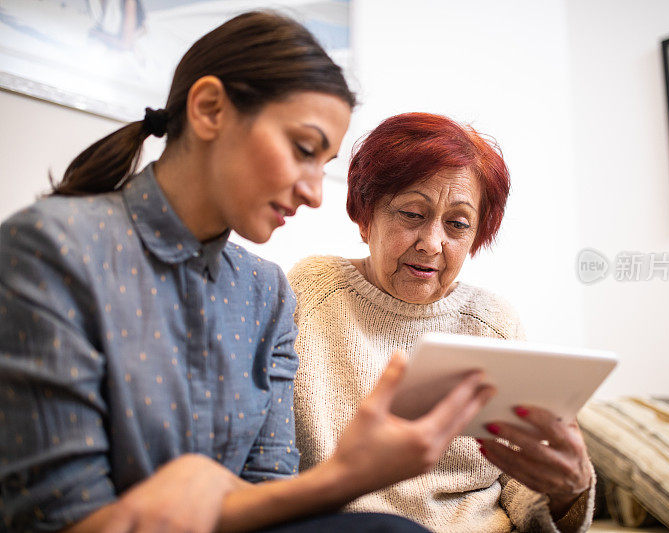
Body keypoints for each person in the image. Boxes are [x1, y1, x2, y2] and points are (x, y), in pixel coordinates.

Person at [0, 14, 494, 533]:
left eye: (322, 162)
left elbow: (269, 493)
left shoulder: (265, 291)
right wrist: (346, 476)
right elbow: (57, 519)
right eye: (304, 150)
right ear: (210, 109)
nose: (314, 192)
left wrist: (208, 486)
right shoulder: (50, 249)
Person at [289, 113, 596, 533]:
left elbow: (519, 484)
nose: (432, 243)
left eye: (457, 224)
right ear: (365, 217)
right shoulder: (309, 295)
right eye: (413, 214)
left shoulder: (492, 322)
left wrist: (568, 493)